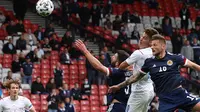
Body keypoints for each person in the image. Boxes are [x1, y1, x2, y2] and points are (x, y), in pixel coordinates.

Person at [109, 34, 200, 112]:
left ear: (163, 46)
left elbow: (194, 66)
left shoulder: (175, 58)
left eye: (155, 45)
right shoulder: (149, 62)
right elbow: (135, 77)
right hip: (165, 99)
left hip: (180, 94)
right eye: (151, 45)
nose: (152, 47)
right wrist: (119, 86)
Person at [75, 39, 132, 112]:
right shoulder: (131, 73)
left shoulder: (118, 72)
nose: (111, 57)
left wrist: (85, 51)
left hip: (117, 107)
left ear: (118, 63)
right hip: (128, 108)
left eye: (114, 56)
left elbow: (99, 67)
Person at [118, 28, 159, 112]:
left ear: (151, 42)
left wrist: (131, 66)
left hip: (139, 92)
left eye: (144, 38)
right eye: (141, 36)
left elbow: (121, 66)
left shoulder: (139, 53)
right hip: (149, 91)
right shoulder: (156, 54)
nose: (141, 39)